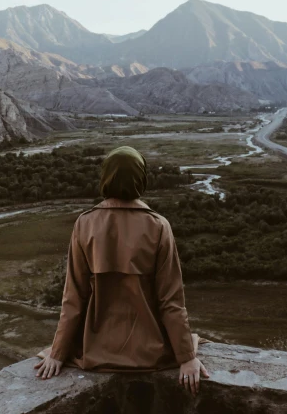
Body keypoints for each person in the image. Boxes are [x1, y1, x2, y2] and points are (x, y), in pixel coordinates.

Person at [35, 146, 209, 396]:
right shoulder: (158, 225)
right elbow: (171, 301)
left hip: (95, 350)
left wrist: (58, 353)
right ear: (141, 178)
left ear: (105, 178)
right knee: (192, 338)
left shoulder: (85, 223)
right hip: (151, 351)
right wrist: (186, 358)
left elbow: (73, 298)